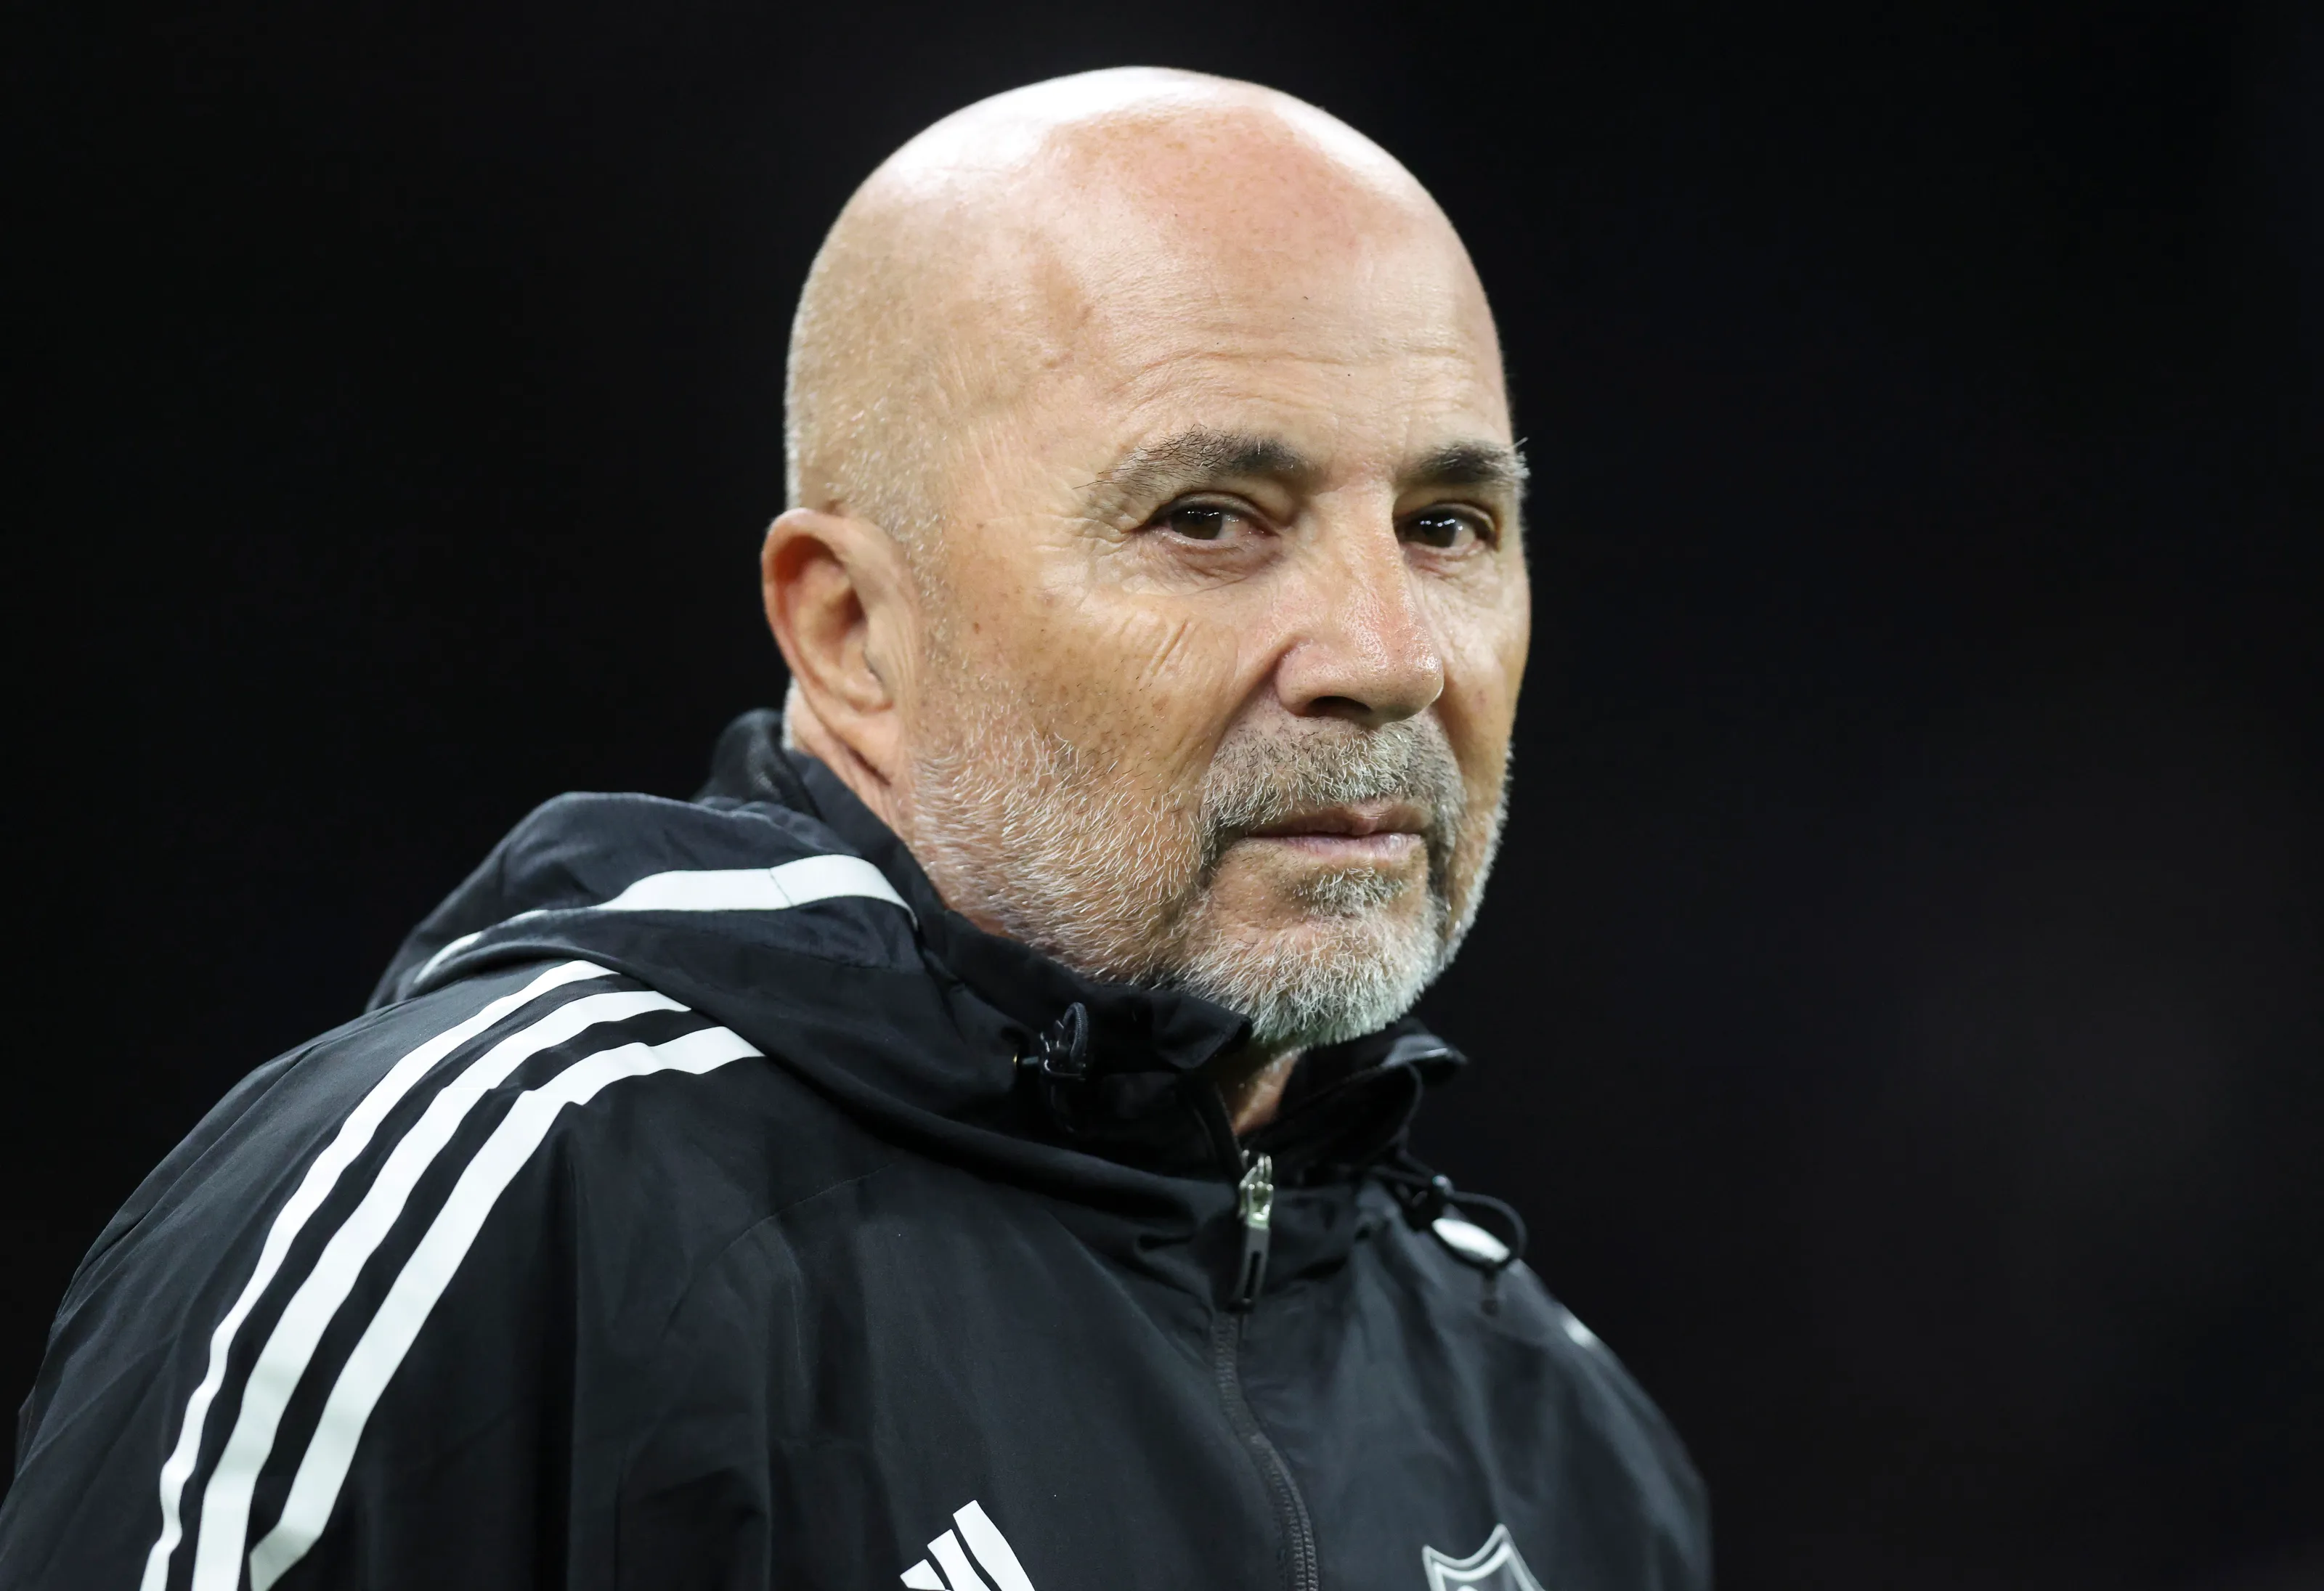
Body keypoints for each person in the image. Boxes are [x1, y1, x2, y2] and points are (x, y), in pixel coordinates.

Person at [1, 68, 1707, 1591]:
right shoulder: (492, 1233)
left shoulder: (1555, 1433)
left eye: (1448, 522)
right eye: (1208, 519)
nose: (1388, 656)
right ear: (850, 632)